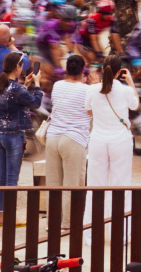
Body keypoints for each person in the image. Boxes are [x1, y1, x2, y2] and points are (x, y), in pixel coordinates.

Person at [0, 52, 41, 227]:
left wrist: (26, 85)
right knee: (12, 177)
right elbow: (35, 103)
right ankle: (11, 216)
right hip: (14, 135)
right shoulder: (17, 89)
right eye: (22, 66)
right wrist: (37, 85)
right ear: (17, 67)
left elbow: (14, 97)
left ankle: (2, 216)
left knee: (1, 176)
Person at [86, 54, 138, 203]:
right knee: (121, 183)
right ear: (119, 71)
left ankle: (94, 218)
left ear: (102, 69)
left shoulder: (92, 89)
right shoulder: (126, 91)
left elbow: (89, 111)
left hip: (97, 140)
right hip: (121, 140)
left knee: (95, 184)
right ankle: (120, 218)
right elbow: (135, 106)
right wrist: (131, 82)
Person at [46, 54, 93, 192]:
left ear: (66, 69)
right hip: (74, 139)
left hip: (52, 138)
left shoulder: (57, 85)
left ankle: (53, 208)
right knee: (72, 188)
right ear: (83, 70)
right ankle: (68, 209)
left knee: (52, 185)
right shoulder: (88, 90)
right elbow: (92, 112)